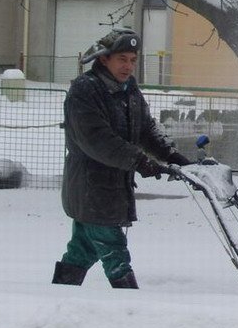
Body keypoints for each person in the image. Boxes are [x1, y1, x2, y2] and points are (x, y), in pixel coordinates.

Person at [51, 28, 191, 289]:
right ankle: (128, 303)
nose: (128, 66)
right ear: (104, 59)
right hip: (91, 187)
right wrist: (139, 161)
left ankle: (61, 294)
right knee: (115, 252)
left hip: (114, 187)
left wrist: (173, 156)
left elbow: (146, 129)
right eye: (122, 59)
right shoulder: (85, 91)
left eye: (133, 60)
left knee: (82, 249)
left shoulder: (129, 89)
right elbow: (98, 140)